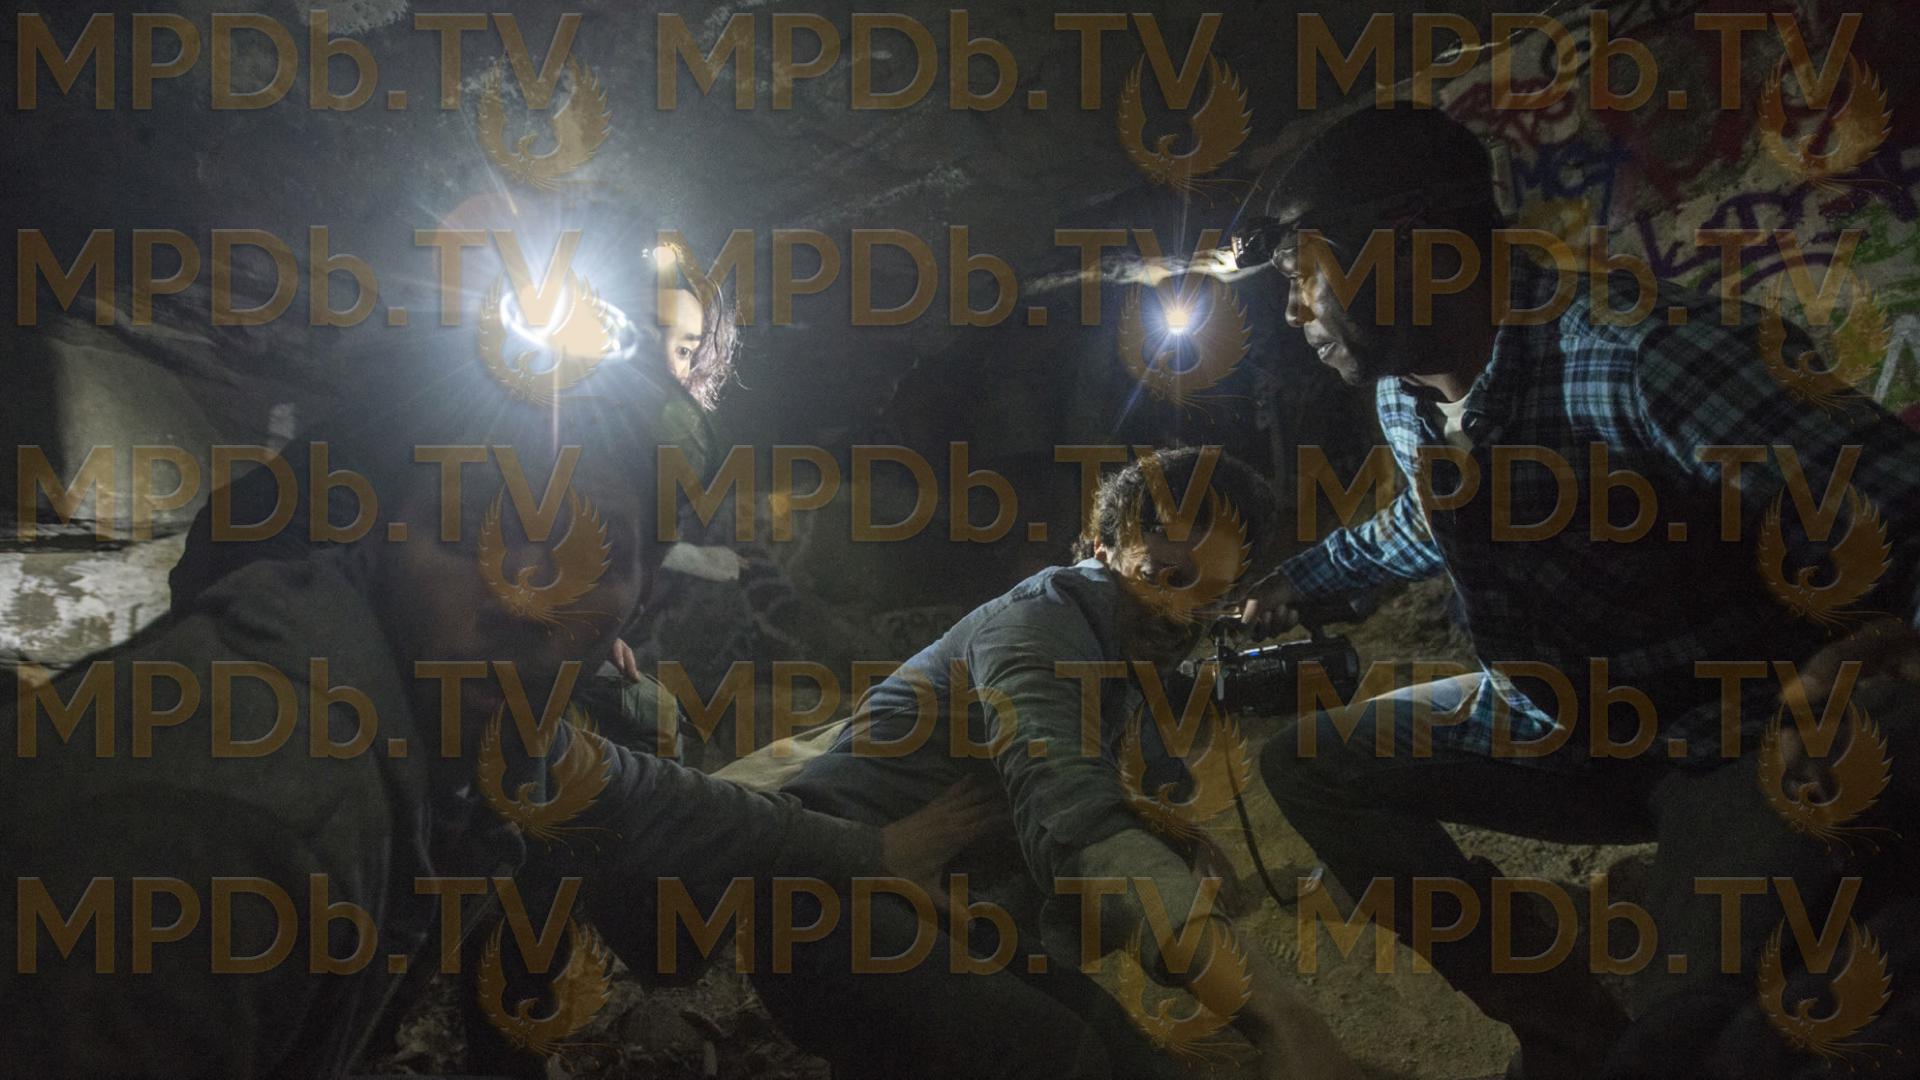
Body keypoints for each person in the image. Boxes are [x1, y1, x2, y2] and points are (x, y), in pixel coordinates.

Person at [0, 357, 995, 1077]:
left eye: (593, 554)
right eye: (474, 525)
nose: (526, 598)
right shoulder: (243, 819)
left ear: (641, 599)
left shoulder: (442, 701)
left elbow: (651, 797)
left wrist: (871, 853)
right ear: (382, 531)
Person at [1239, 104, 1920, 1078]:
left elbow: (1898, 500)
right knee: (1313, 766)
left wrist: (1881, 668)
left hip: (1724, 738)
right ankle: (1570, 1036)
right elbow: (1433, 518)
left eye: (1301, 274)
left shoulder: (1644, 356)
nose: (1293, 312)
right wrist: (1298, 583)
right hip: (1553, 718)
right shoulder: (1408, 388)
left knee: (1691, 1042)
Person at [745, 447, 1362, 1080]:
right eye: (1163, 576)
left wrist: (1173, 838)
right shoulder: (1036, 629)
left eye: (1208, 592)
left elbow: (1110, 788)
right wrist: (1279, 1014)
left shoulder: (1117, 648)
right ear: (1103, 549)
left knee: (1136, 1065)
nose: (1180, 612)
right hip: (826, 908)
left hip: (929, 911)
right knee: (1077, 1062)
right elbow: (1070, 815)